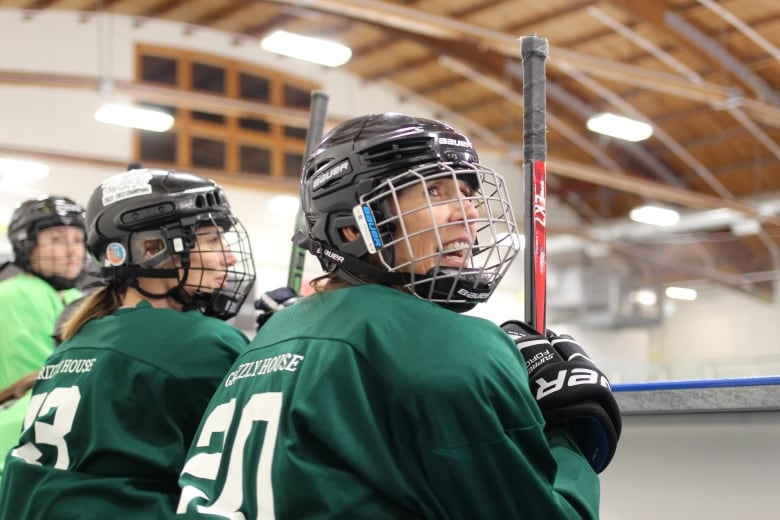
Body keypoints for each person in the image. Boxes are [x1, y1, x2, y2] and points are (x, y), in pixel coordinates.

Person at [176, 113, 621, 519]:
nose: (468, 213)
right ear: (354, 227)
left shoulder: (274, 333)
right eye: (434, 190)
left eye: (468, 194)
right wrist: (568, 437)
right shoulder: (449, 343)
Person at [0, 168, 257, 518]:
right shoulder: (203, 341)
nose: (228, 256)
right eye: (212, 241)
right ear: (151, 248)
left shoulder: (77, 338)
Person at [0, 195, 86, 391]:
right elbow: (36, 387)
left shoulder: (73, 295)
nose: (73, 251)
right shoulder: (18, 295)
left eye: (78, 239)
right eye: (57, 240)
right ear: (25, 246)